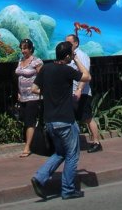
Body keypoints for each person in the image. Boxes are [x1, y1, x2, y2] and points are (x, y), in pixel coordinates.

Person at [30, 41, 91, 201]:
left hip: (50, 120)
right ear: (68, 56)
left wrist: (49, 92)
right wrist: (77, 60)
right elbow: (87, 76)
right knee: (72, 155)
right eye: (71, 54)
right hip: (65, 120)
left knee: (60, 153)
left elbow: (34, 89)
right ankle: (68, 189)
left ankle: (40, 177)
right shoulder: (67, 70)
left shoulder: (46, 68)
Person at [65, 34, 102, 153]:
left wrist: (79, 89)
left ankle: (96, 142)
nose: (67, 45)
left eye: (69, 43)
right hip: (71, 92)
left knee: (87, 118)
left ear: (76, 43)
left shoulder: (81, 56)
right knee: (71, 118)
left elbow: (85, 75)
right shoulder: (69, 56)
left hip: (82, 93)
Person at [15, 38, 43, 158]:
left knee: (30, 121)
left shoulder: (36, 61)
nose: (23, 51)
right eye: (21, 48)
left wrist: (40, 90)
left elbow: (42, 77)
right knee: (25, 120)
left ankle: (27, 147)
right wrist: (18, 91)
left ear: (31, 49)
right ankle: (29, 142)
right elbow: (19, 77)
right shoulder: (20, 60)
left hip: (33, 96)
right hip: (23, 96)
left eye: (25, 48)